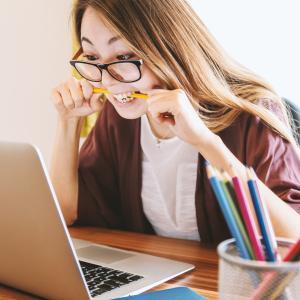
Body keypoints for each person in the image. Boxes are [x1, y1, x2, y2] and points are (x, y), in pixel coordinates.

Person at [50, 0, 300, 244]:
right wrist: (68, 122)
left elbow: (294, 239)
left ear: (169, 46)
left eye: (124, 55)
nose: (106, 81)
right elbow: (66, 212)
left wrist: (205, 142)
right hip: (158, 279)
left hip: (233, 286)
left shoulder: (252, 112)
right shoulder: (120, 117)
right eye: (93, 57)